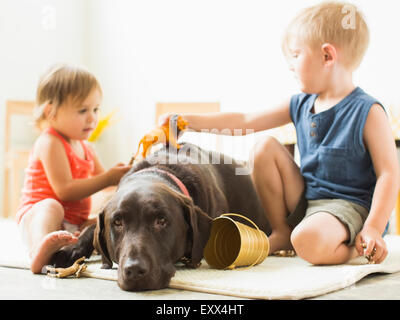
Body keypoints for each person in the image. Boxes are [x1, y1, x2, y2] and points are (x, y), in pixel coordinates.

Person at [159, 2, 399, 265]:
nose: (290, 65)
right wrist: (188, 121)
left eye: (296, 55)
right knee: (264, 147)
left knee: (307, 240)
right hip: (308, 200)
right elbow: (246, 121)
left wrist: (374, 226)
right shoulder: (300, 103)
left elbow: (388, 172)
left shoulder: (368, 111)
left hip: (350, 208)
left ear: (327, 56)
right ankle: (282, 232)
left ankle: (357, 245)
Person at [16, 64, 131, 274]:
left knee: (100, 219)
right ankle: (38, 251)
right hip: (38, 218)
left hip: (71, 224)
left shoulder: (87, 147)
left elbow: (106, 187)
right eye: (82, 110)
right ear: (51, 112)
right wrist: (108, 178)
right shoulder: (50, 142)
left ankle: (60, 248)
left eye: (95, 109)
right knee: (51, 206)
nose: (92, 118)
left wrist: (124, 179)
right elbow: (65, 190)